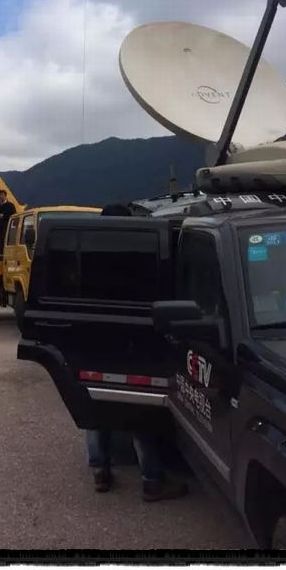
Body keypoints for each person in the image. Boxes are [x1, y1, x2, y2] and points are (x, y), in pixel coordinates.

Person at [84, 202, 188, 502]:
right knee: (137, 411)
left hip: (92, 343)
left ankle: (101, 470)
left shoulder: (87, 254)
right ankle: (152, 479)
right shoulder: (137, 253)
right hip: (130, 345)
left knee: (95, 407)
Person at [0, 190, 16, 259]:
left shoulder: (10, 206)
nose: (1, 197)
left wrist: (4, 216)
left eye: (2, 195)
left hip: (8, 230)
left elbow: (13, 216)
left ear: (5, 196)